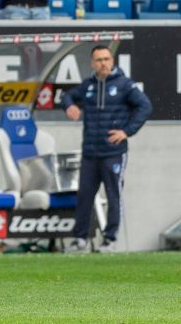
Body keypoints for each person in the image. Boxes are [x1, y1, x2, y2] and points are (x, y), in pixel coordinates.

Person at [62, 45, 152, 253]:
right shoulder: (87, 86)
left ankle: (110, 239)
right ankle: (80, 240)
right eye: (99, 60)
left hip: (113, 153)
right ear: (92, 63)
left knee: (113, 195)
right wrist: (70, 106)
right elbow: (68, 96)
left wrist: (127, 131)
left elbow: (145, 106)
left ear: (112, 61)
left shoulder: (124, 85)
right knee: (84, 196)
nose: (104, 63)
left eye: (107, 59)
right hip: (90, 154)